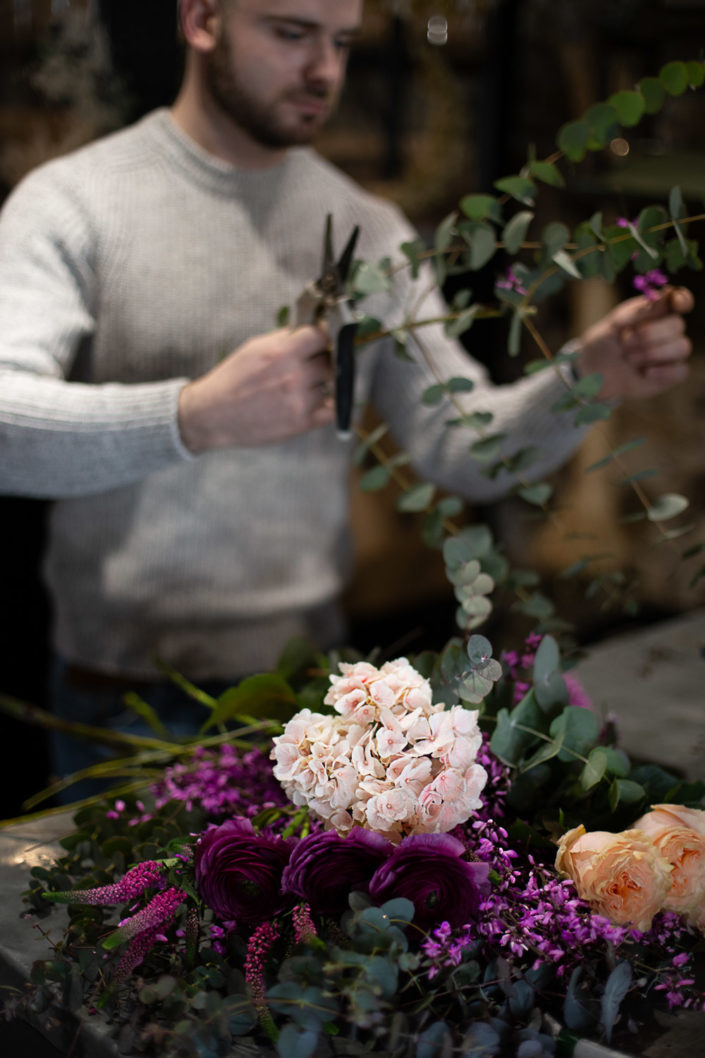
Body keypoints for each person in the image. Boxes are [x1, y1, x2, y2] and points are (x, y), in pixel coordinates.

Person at [0, 0, 694, 784]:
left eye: (339, 41)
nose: (323, 70)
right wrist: (192, 416)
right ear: (201, 20)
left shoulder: (366, 225)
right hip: (118, 700)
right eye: (290, 33)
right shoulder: (74, 202)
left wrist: (584, 378)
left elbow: (462, 448)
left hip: (308, 696)